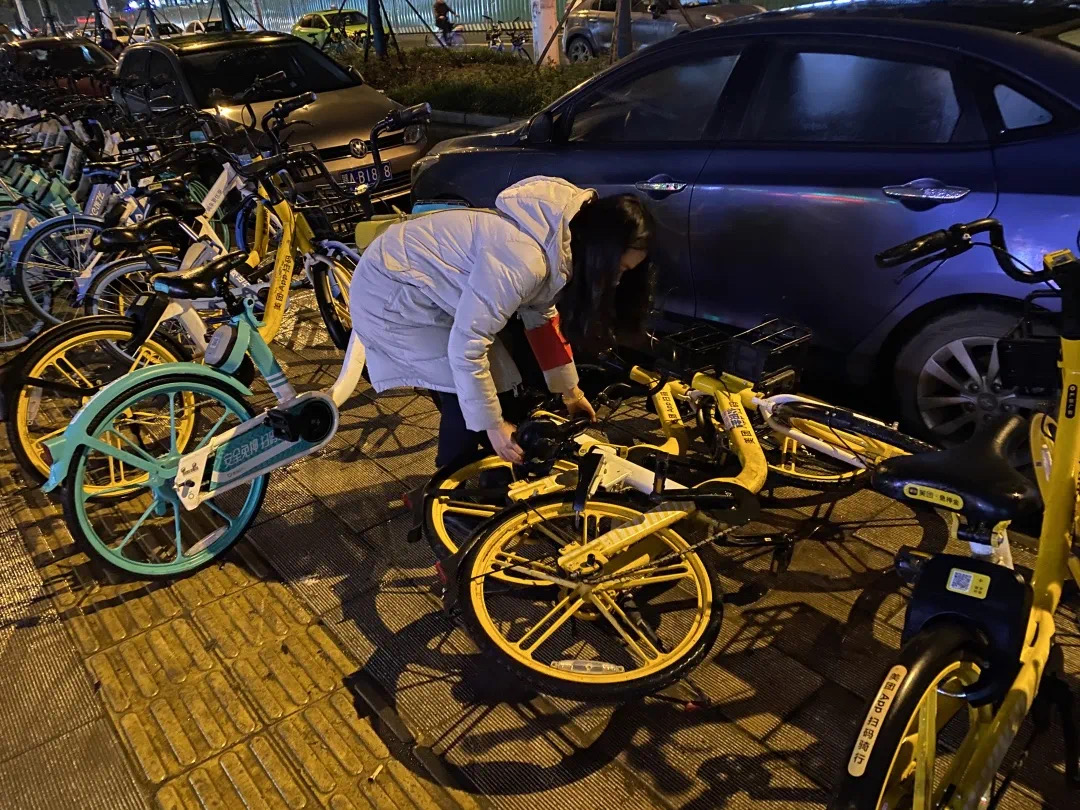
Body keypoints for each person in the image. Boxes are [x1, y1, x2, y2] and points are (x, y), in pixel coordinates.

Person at [348, 176, 654, 466]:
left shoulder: (557, 244)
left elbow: (541, 317)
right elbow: (467, 347)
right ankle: (448, 480)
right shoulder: (525, 260)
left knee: (494, 384)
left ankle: (488, 465)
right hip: (391, 293)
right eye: (620, 269)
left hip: (424, 287)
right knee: (460, 389)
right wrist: (495, 426)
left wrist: (571, 392)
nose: (617, 281)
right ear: (600, 251)